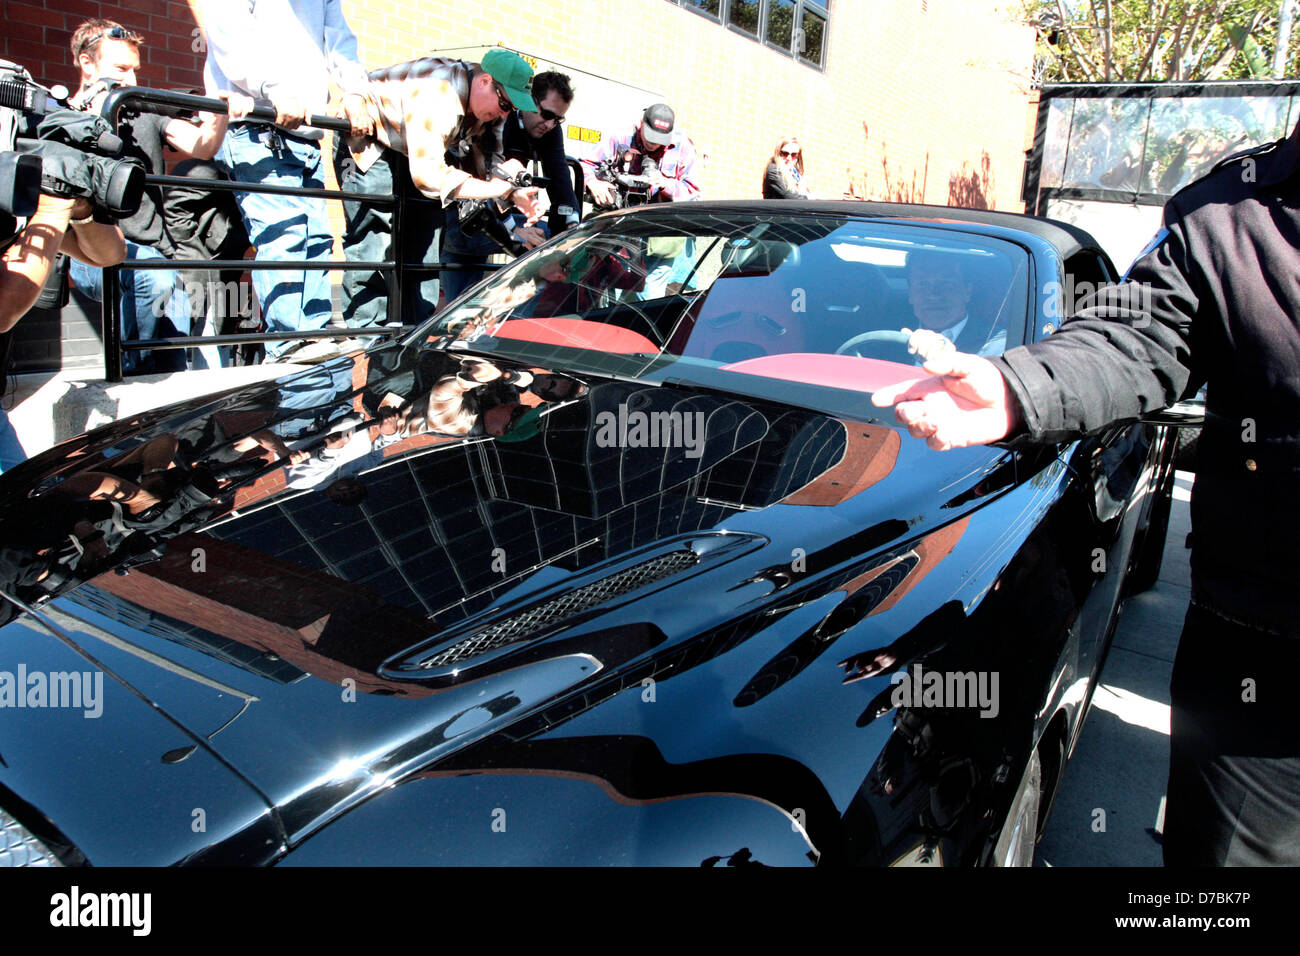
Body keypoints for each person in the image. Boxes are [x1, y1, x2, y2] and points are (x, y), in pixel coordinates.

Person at [871, 122, 1300, 866]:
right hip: (1266, 652)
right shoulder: (1231, 216)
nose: (928, 287)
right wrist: (1016, 385)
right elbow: (1134, 338)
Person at [196, 0, 373, 361]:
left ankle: (315, 333)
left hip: (306, 133)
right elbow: (226, 31)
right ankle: (289, 342)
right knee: (285, 236)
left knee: (319, 238)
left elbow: (341, 41)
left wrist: (355, 92)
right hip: (257, 124)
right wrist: (272, 86)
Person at [65, 20, 236, 372]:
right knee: (153, 278)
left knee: (178, 332)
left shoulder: (142, 112)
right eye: (120, 69)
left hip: (155, 253)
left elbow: (201, 147)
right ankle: (138, 383)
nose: (130, 81)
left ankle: (163, 401)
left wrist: (220, 111)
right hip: (89, 252)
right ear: (87, 64)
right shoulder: (62, 117)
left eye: (135, 71)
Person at [332, 48, 543, 329]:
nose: (504, 113)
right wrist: (497, 189)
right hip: (369, 136)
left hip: (410, 147)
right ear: (484, 81)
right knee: (374, 236)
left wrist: (512, 194)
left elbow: (488, 170)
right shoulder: (441, 94)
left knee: (428, 239)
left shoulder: (484, 109)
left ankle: (412, 331)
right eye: (505, 103)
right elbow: (429, 176)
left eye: (512, 108)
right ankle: (364, 335)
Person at [440, 70, 581, 302]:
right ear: (528, 101)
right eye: (546, 114)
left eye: (558, 119)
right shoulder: (499, 119)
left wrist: (571, 228)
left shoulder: (550, 128)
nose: (550, 124)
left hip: (486, 213)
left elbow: (561, 180)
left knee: (556, 241)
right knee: (540, 242)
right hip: (463, 213)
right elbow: (489, 182)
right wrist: (514, 231)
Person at [582, 103, 700, 207]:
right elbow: (585, 165)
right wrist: (593, 182)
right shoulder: (621, 137)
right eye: (650, 137)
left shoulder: (682, 147)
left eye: (659, 140)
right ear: (642, 124)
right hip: (615, 214)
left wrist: (665, 184)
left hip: (658, 221)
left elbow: (693, 194)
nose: (653, 143)